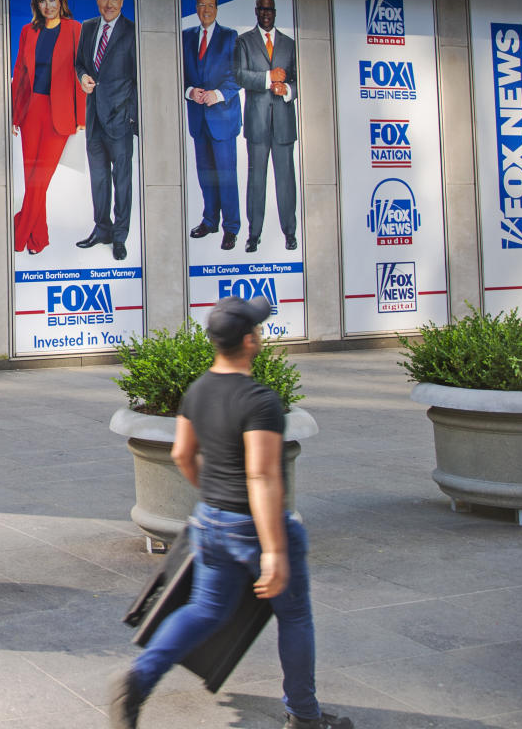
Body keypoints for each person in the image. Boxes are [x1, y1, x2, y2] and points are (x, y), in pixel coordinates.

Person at [109, 295, 352, 729]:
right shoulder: (260, 401)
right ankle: (304, 716)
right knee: (294, 616)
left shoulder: (198, 389)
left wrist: (214, 496)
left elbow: (183, 453)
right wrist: (274, 551)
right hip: (256, 528)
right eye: (257, 330)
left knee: (204, 611)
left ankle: (138, 680)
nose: (261, 335)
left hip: (210, 521)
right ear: (249, 340)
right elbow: (261, 477)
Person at [11, 0, 85, 256]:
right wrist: (14, 115)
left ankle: (20, 232)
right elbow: (20, 73)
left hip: (61, 111)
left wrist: (82, 115)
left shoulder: (75, 29)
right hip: (32, 110)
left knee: (41, 178)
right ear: (36, 4)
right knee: (32, 177)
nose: (48, 5)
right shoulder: (28, 31)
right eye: (42, 1)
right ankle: (38, 238)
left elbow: (80, 72)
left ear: (60, 1)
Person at [73, 0, 136, 262]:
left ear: (122, 0)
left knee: (121, 180)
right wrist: (83, 76)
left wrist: (132, 118)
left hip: (120, 120)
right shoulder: (87, 28)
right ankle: (102, 229)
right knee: (98, 178)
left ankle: (120, 236)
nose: (108, 4)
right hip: (94, 118)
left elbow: (138, 79)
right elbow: (81, 63)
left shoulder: (133, 31)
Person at [233, 0, 298, 254]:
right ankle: (253, 235)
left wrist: (288, 90)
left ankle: (290, 233)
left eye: (270, 11)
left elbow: (298, 79)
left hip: (283, 123)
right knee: (256, 181)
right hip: (257, 124)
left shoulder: (289, 44)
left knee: (286, 181)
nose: (266, 15)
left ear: (275, 13)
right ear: (256, 11)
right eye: (262, 10)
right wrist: (269, 77)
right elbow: (239, 76)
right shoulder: (244, 42)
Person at [183, 0, 242, 251]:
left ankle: (231, 228)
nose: (205, 10)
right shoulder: (186, 37)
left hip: (223, 119)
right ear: (196, 8)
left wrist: (217, 94)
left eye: (210, 5)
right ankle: (210, 220)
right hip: (198, 119)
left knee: (226, 176)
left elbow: (237, 76)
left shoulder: (230, 37)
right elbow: (180, 73)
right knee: (206, 174)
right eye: (201, 5)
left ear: (216, 9)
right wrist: (190, 91)